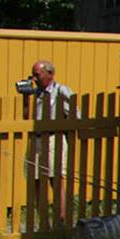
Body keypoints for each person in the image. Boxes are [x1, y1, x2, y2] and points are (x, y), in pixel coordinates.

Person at [25, 60, 78, 223]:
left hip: (54, 139)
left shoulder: (61, 90)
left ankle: (61, 217)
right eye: (32, 74)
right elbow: (26, 118)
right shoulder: (36, 93)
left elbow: (75, 114)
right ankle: (43, 220)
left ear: (49, 74)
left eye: (37, 75)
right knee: (35, 179)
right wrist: (26, 99)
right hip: (36, 139)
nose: (34, 78)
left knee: (55, 179)